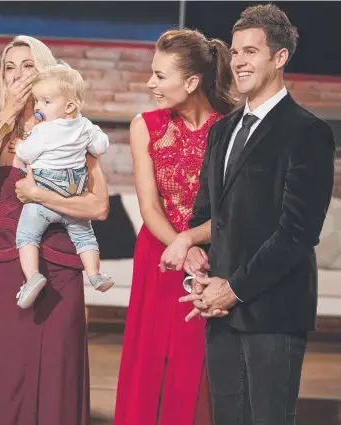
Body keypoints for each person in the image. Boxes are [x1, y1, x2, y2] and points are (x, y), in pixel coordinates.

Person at [176, 5, 336, 425]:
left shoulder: (308, 132)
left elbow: (297, 233)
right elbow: (205, 215)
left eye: (251, 51)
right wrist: (197, 265)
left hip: (272, 313)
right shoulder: (222, 130)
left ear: (280, 58)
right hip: (218, 312)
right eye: (234, 52)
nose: (239, 62)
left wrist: (235, 289)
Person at [0, 35, 109, 425]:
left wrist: (42, 196)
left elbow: (99, 206)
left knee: (56, 371)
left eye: (28, 65)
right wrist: (8, 112)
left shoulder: (75, 131)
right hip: (5, 264)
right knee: (1, 373)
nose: (18, 74)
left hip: (61, 264)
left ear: (44, 71)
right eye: (10, 67)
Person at [114, 29, 236, 425]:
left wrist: (196, 242)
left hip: (215, 255)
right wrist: (182, 248)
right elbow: (149, 206)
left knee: (196, 362)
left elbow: (233, 209)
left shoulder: (230, 129)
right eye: (152, 73)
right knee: (150, 359)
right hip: (160, 255)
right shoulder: (144, 125)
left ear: (191, 82)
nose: (151, 83)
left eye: (160, 76)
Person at [15, 63, 114, 309]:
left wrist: (24, 140)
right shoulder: (86, 126)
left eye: (46, 102)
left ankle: (32, 277)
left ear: (69, 106)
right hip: (74, 193)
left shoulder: (43, 130)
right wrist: (95, 135)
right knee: (84, 235)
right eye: (37, 101)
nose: (38, 107)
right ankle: (94, 274)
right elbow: (100, 147)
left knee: (27, 234)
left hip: (45, 195)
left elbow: (26, 154)